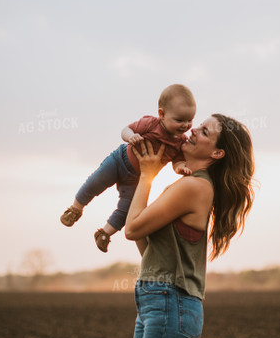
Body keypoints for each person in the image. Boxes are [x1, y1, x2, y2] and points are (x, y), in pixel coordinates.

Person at [125, 113, 255, 338]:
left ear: (217, 153)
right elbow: (145, 244)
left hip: (171, 304)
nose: (192, 130)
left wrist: (146, 175)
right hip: (154, 301)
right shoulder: (188, 185)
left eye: (205, 131)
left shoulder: (194, 188)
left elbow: (131, 229)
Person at [60, 84, 196, 252]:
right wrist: (131, 137)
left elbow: (177, 162)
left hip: (137, 179)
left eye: (190, 120)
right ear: (161, 114)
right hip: (119, 160)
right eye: (179, 120)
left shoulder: (180, 142)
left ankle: (105, 233)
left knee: (127, 209)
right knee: (95, 182)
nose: (186, 125)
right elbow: (126, 130)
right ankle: (75, 209)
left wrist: (181, 168)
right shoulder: (150, 123)